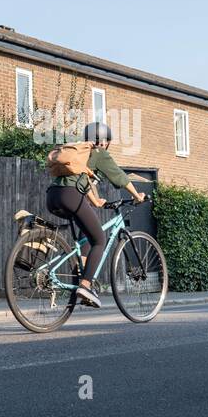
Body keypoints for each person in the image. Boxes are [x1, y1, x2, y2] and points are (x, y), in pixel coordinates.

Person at [46, 122, 145, 307]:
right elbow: (120, 177)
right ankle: (85, 285)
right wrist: (137, 195)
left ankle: (79, 280)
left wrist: (95, 200)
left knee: (85, 238)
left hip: (53, 196)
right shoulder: (99, 153)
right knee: (99, 239)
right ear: (104, 141)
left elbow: (83, 180)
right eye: (108, 141)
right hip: (71, 195)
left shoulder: (81, 153)